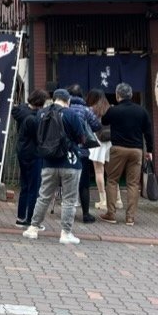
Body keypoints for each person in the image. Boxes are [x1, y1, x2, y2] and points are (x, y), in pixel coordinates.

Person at [23, 89, 91, 244]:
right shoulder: (71, 114)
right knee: (69, 199)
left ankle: (33, 228)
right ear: (67, 101)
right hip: (70, 162)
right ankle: (66, 233)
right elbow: (81, 137)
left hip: (48, 161)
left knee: (44, 196)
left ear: (53, 99)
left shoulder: (41, 114)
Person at [99, 82, 153, 226]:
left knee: (112, 180)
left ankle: (111, 213)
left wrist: (108, 109)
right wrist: (150, 151)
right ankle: (130, 217)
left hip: (118, 149)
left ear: (118, 95)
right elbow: (148, 132)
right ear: (130, 95)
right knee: (133, 184)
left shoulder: (114, 110)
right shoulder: (141, 111)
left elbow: (103, 121)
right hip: (136, 150)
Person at [12, 88, 48, 227]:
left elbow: (16, 108)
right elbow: (40, 137)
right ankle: (31, 219)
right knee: (34, 187)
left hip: (22, 151)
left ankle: (21, 217)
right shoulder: (34, 118)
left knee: (25, 186)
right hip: (34, 153)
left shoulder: (21, 111)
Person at [66, 83, 100, 224]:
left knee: (66, 182)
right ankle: (86, 214)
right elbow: (97, 125)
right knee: (83, 184)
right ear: (81, 95)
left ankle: (67, 214)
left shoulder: (64, 108)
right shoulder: (86, 110)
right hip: (82, 151)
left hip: (66, 150)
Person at [85, 89, 118, 215]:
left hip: (97, 142)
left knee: (99, 171)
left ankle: (103, 200)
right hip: (110, 142)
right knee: (112, 172)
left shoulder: (92, 110)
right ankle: (118, 199)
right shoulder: (111, 108)